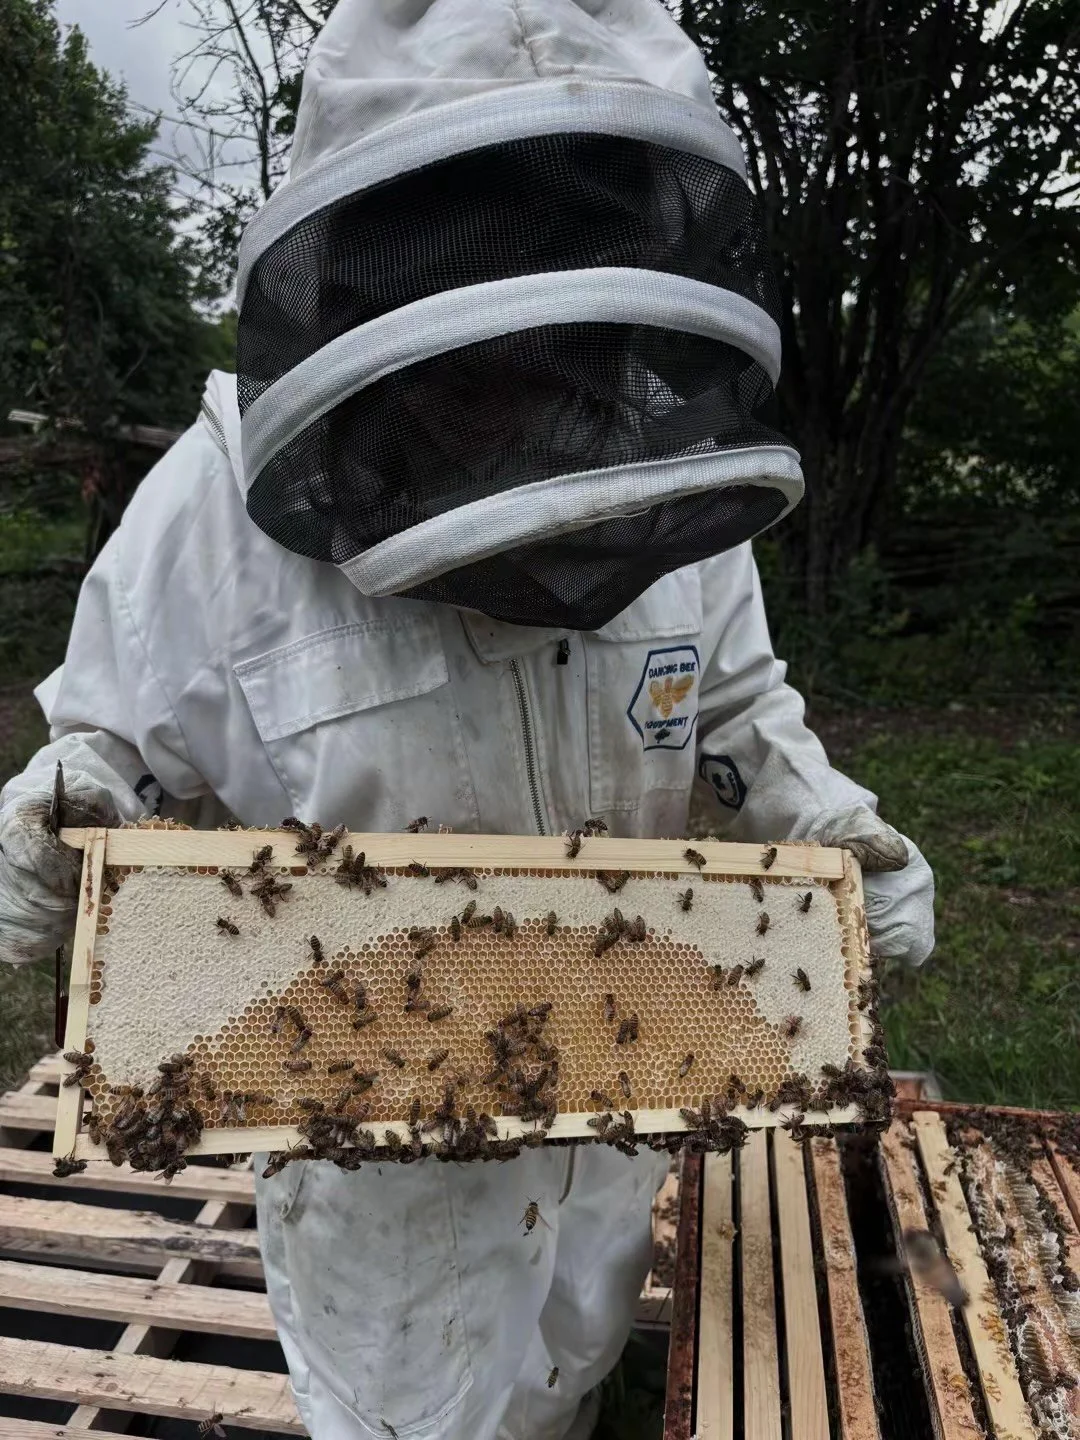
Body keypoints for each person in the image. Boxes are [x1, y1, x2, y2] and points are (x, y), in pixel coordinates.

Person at [0, 2, 934, 1435]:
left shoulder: (666, 483)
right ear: (385, 264)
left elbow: (736, 707)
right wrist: (69, 804)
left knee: (571, 1374)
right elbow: (108, 745)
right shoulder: (215, 508)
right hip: (378, 1192)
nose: (528, 372)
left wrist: (815, 816)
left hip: (613, 1132)